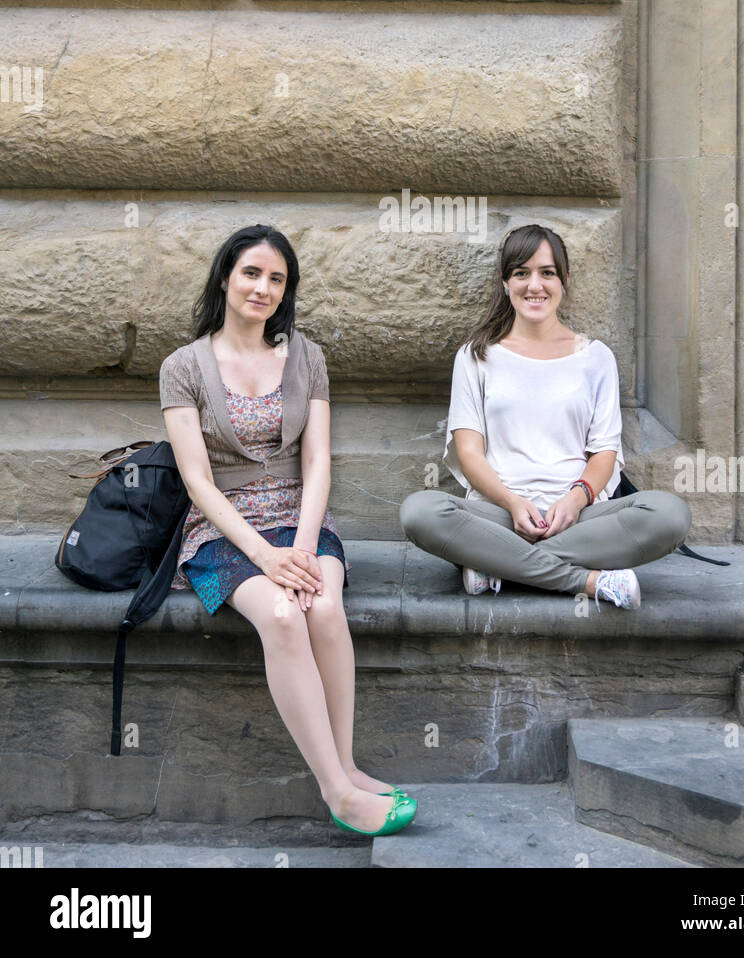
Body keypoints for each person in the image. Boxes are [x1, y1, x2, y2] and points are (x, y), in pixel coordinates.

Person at [159, 223, 416, 837]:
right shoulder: (182, 367)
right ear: (226, 276)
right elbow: (197, 481)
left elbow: (319, 462)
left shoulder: (307, 358)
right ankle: (338, 793)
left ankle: (348, 766)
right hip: (221, 531)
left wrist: (299, 548)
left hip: (300, 521)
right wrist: (264, 557)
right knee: (280, 614)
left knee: (323, 606)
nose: (263, 287)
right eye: (251, 273)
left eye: (277, 278)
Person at [400, 224, 692, 609]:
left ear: (564, 280)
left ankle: (496, 563)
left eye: (547, 272)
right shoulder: (476, 356)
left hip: (579, 518)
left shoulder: (596, 357)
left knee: (670, 515)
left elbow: (605, 454)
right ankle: (588, 581)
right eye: (521, 273)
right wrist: (512, 503)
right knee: (420, 512)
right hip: (498, 516)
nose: (534, 285)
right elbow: (469, 452)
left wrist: (573, 501)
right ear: (506, 282)